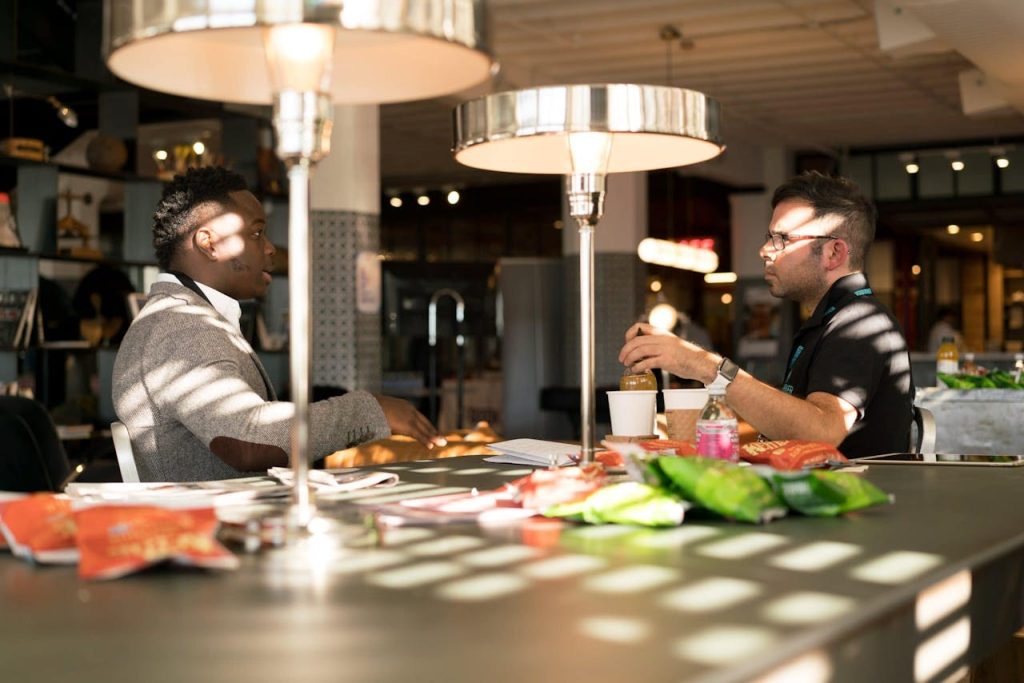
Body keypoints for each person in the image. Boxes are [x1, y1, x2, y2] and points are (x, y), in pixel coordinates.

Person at [113, 167, 441, 481]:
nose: (270, 248)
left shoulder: (180, 317)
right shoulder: (181, 328)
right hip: (217, 529)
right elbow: (249, 440)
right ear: (208, 243)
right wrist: (369, 411)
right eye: (256, 232)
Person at [619, 172, 914, 457]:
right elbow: (793, 421)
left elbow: (823, 431)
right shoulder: (830, 319)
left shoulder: (860, 322)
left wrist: (702, 364)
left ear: (834, 253)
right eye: (769, 237)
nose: (764, 250)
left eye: (782, 239)